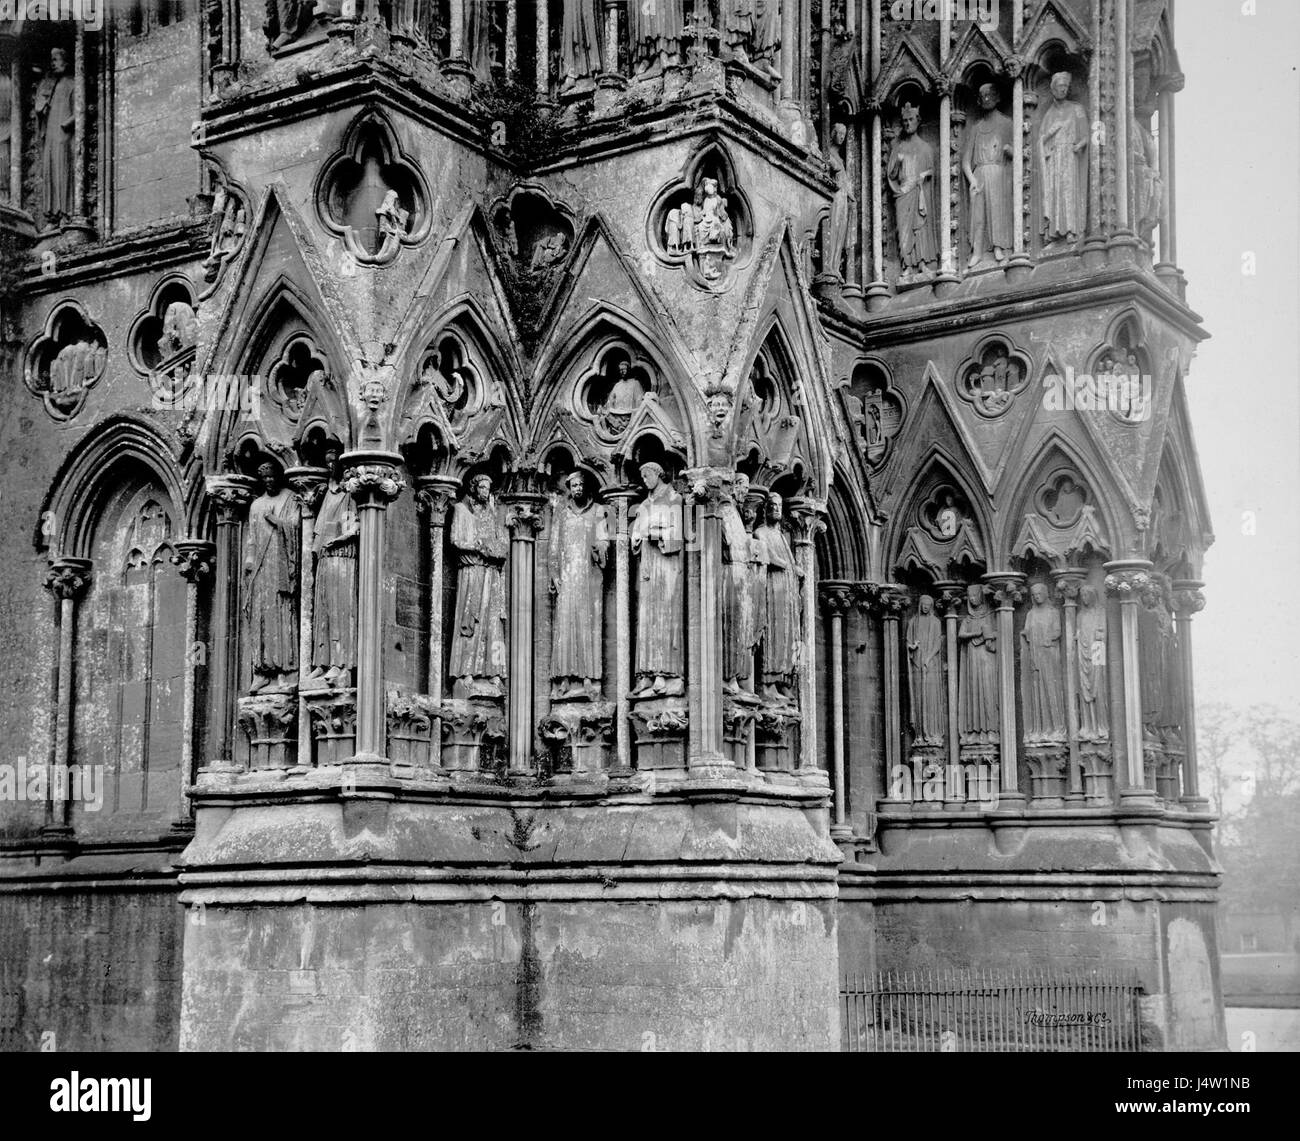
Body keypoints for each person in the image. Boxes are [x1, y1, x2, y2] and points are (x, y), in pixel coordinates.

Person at [549, 471, 609, 699]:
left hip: (589, 579)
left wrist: (601, 548)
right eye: (573, 485)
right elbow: (553, 547)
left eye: (581, 485)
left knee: (588, 626)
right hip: (567, 578)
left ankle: (588, 679)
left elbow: (605, 540)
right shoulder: (561, 514)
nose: (577, 489)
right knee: (565, 626)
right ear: (569, 488)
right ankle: (563, 679)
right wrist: (553, 573)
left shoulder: (600, 511)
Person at [243, 461, 301, 694]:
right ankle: (261, 671)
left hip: (281, 567)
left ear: (279, 477)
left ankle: (286, 670)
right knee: (260, 617)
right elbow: (251, 537)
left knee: (281, 615)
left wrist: (277, 522)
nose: (269, 481)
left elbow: (297, 526)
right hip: (260, 568)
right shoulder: (256, 505)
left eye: (272, 477)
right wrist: (248, 559)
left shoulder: (290, 498)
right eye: (265, 478)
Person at [448, 473, 509, 693]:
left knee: (493, 623)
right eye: (482, 487)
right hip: (472, 572)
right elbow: (455, 539)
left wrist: (496, 550)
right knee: (470, 622)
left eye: (488, 488)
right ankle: (466, 672)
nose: (485, 492)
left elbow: (502, 544)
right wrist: (478, 546)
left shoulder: (492, 515)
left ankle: (495, 672)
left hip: (491, 574)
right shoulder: (460, 510)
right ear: (474, 488)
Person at [630, 462, 685, 696]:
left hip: (666, 567)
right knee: (646, 620)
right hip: (648, 568)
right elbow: (636, 534)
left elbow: (677, 535)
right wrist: (637, 537)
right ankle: (645, 675)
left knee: (664, 618)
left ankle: (665, 674)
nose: (644, 480)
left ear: (659, 474)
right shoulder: (644, 504)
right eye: (641, 476)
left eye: (647, 475)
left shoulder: (674, 498)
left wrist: (653, 533)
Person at [963, 83, 1013, 268]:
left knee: (997, 209)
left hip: (999, 172)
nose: (986, 98)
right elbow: (966, 162)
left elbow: (1021, 153)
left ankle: (998, 246)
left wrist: (1010, 150)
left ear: (998, 97)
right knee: (978, 215)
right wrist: (972, 179)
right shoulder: (976, 128)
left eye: (990, 94)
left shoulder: (1007, 123)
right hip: (979, 174)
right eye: (982, 95)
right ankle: (977, 251)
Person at [1037, 72, 1089, 245]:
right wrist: (1050, 133)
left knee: (1068, 193)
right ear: (1053, 89)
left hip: (1070, 156)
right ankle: (1054, 233)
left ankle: (1071, 231)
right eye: (1060, 87)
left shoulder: (1077, 109)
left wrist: (1079, 145)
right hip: (1054, 158)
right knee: (1055, 194)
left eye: (1065, 87)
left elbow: (1086, 135)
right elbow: (1040, 141)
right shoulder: (1049, 114)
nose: (1063, 90)